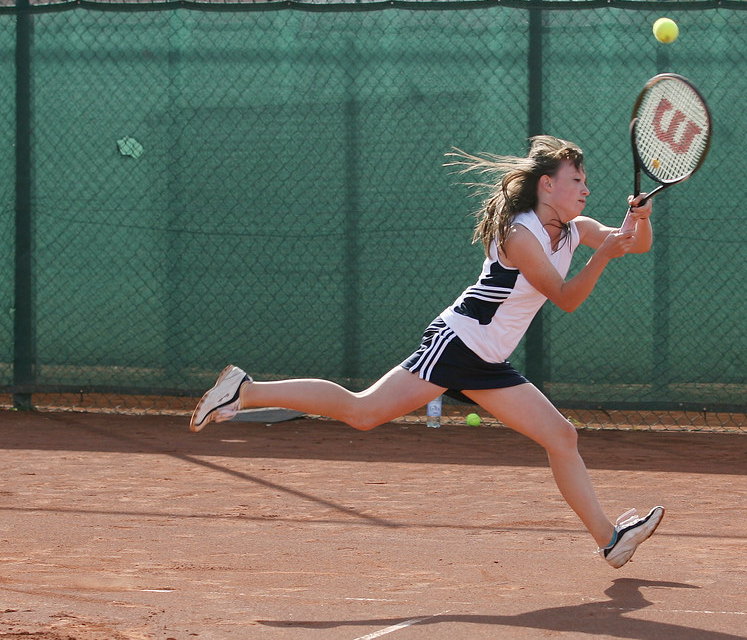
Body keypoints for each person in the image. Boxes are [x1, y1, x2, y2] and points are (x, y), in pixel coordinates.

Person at [190, 135, 664, 568]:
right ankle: (245, 392)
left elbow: (633, 245)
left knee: (561, 437)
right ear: (546, 185)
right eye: (576, 180)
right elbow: (566, 297)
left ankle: (609, 539)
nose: (585, 189)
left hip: (488, 359)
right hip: (458, 343)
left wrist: (637, 220)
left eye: (586, 181)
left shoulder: (574, 228)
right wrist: (604, 253)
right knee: (363, 412)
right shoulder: (520, 235)